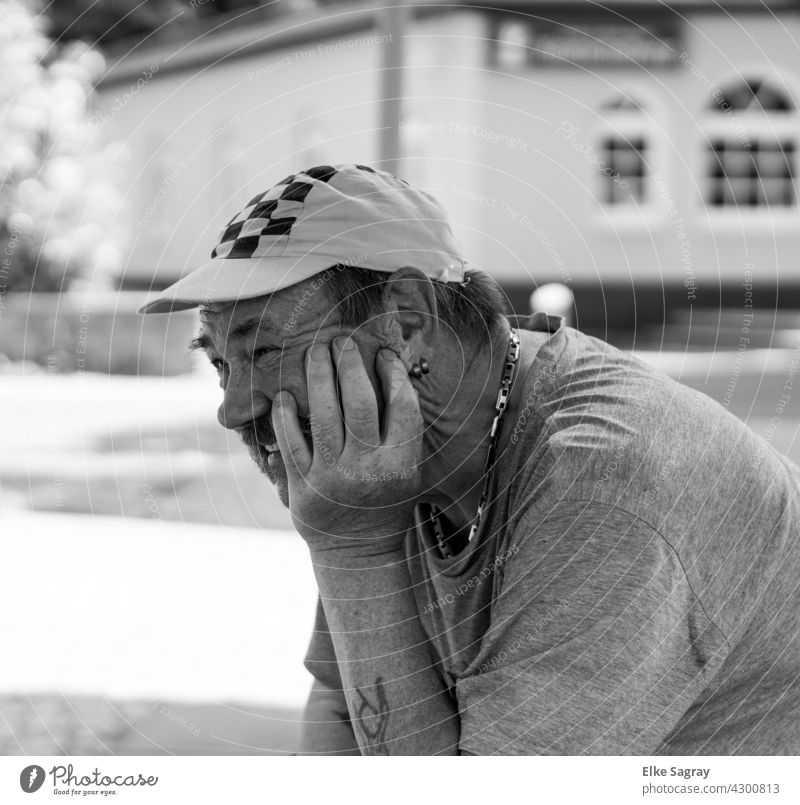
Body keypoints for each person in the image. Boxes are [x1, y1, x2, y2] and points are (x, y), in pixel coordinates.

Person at [140, 163, 800, 755]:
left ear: (407, 317)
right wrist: (354, 543)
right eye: (220, 361)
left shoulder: (603, 482)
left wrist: (356, 549)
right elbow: (344, 703)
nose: (233, 407)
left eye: (263, 352)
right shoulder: (387, 460)